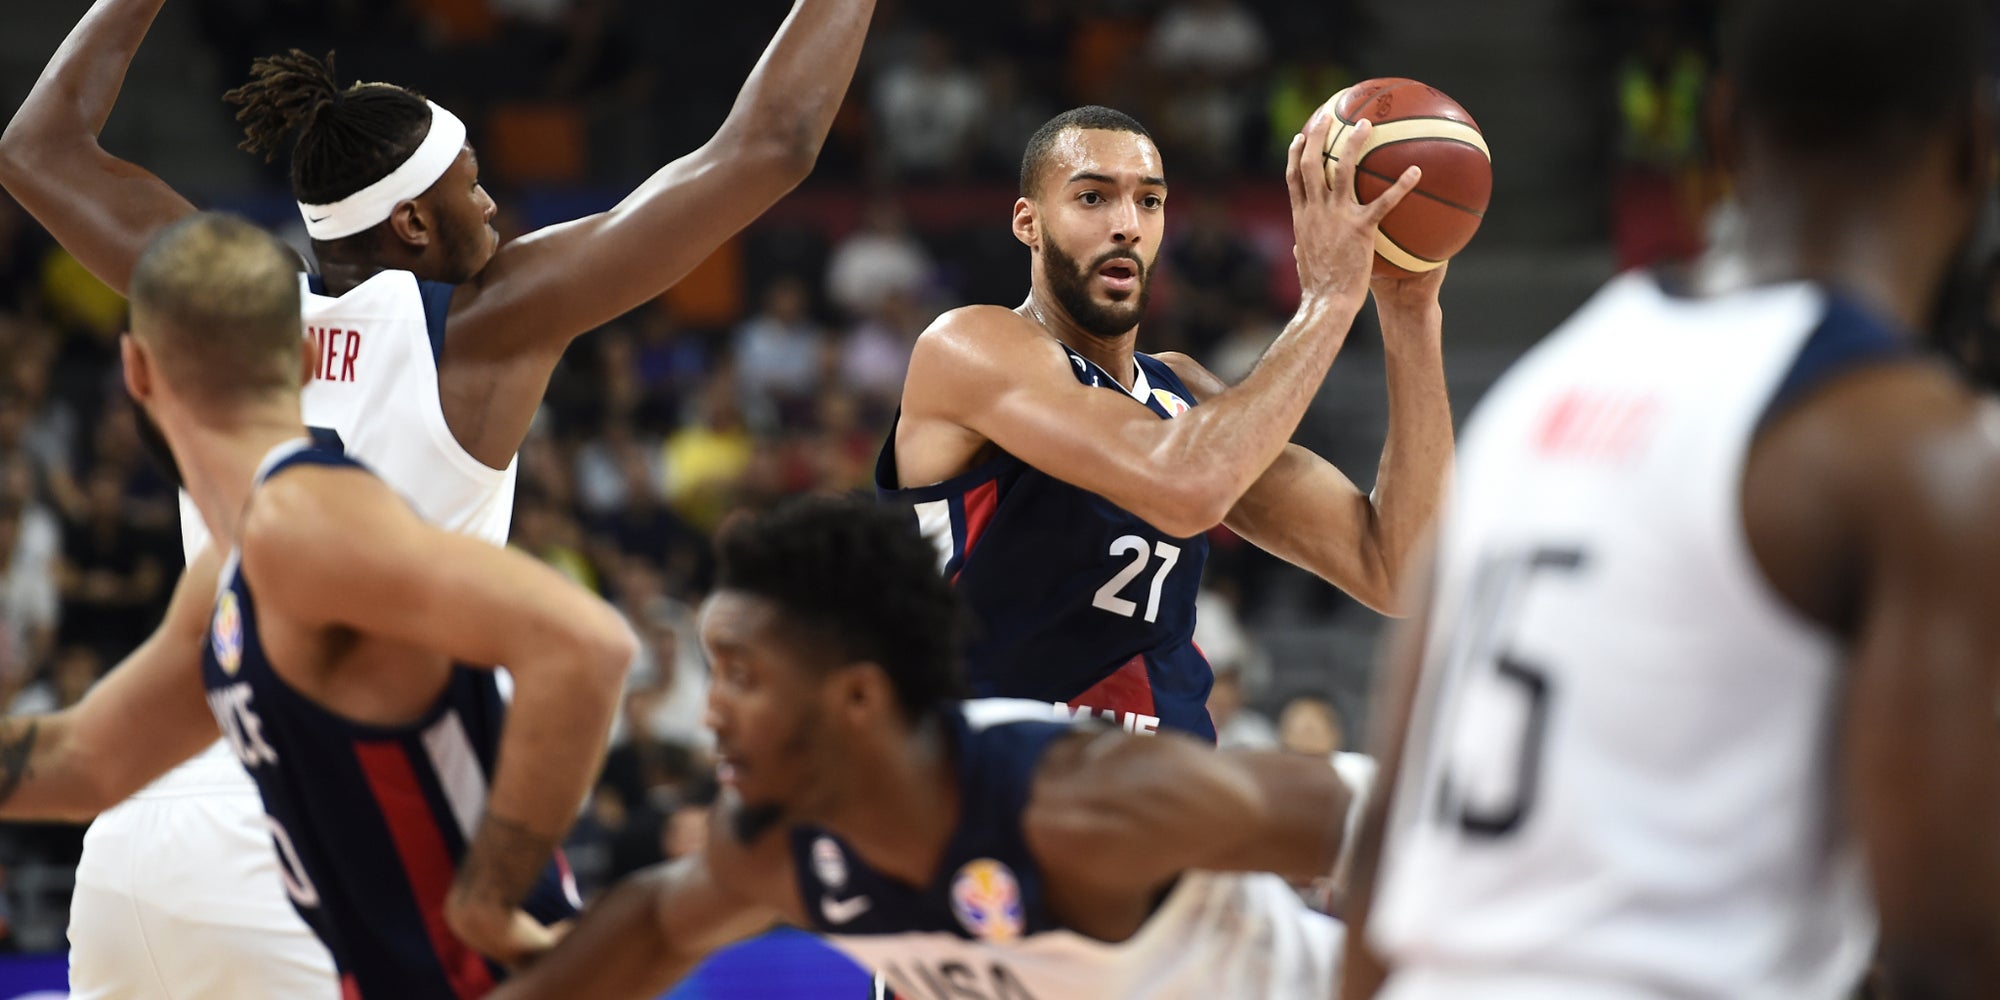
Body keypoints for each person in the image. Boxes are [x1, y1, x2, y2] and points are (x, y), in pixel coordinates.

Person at [0, 0, 875, 994]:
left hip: (142, 820)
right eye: (474, 188)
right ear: (413, 222)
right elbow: (769, 144)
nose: (494, 207)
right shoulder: (484, 325)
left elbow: (37, 148)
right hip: (329, 838)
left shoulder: (220, 307)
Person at [1339, 1, 2000, 997]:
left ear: (1721, 128)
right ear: (1975, 145)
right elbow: (1946, 950)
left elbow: (1386, 850)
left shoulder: (1537, 391)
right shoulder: (1911, 449)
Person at [0, 214, 636, 995]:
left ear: (135, 370)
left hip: (428, 952)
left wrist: (491, 892)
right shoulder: (234, 564)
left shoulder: (309, 525)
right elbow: (88, 762)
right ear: (306, 359)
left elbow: (587, 646)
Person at [484, 494, 1352, 1000]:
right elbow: (650, 926)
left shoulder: (1078, 803)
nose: (709, 713)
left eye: (743, 678)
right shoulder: (782, 848)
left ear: (858, 698)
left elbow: (1376, 815)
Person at [876, 105, 1453, 741]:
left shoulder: (1187, 393)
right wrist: (1326, 301)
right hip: (997, 788)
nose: (1126, 225)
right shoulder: (970, 345)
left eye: (1149, 202)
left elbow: (1397, 567)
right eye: (1093, 197)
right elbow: (1184, 486)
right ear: (1028, 223)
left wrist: (1410, 313)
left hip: (1163, 797)